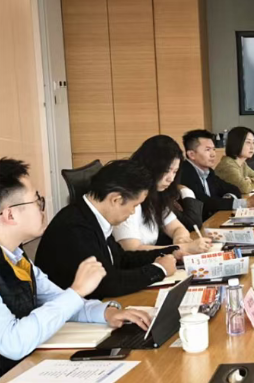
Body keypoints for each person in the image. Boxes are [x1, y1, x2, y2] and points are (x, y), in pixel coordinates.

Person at [0, 158, 151, 375]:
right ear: (10, 214)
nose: (42, 208)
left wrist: (106, 313)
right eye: (36, 201)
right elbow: (13, 343)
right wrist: (77, 291)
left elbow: (58, 300)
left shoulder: (16, 256)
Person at [36, 160, 178, 300]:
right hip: (72, 310)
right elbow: (106, 283)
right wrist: (159, 269)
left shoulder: (91, 215)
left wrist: (170, 252)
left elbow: (121, 260)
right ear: (116, 200)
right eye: (134, 205)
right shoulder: (74, 227)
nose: (133, 212)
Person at [113, 135, 211, 254]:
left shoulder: (157, 195)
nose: (171, 178)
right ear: (150, 167)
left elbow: (176, 228)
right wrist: (181, 248)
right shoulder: (128, 196)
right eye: (166, 171)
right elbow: (132, 249)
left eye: (174, 172)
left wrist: (180, 238)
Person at [179, 130, 254, 221]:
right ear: (191, 155)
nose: (213, 154)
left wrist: (225, 199)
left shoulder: (208, 172)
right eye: (207, 150)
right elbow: (205, 203)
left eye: (214, 149)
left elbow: (233, 189)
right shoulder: (185, 173)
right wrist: (245, 203)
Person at [214, 127, 254, 194]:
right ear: (236, 143)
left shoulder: (242, 163)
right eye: (248, 142)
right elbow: (245, 188)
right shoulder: (227, 166)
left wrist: (251, 181)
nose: (252, 147)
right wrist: (251, 183)